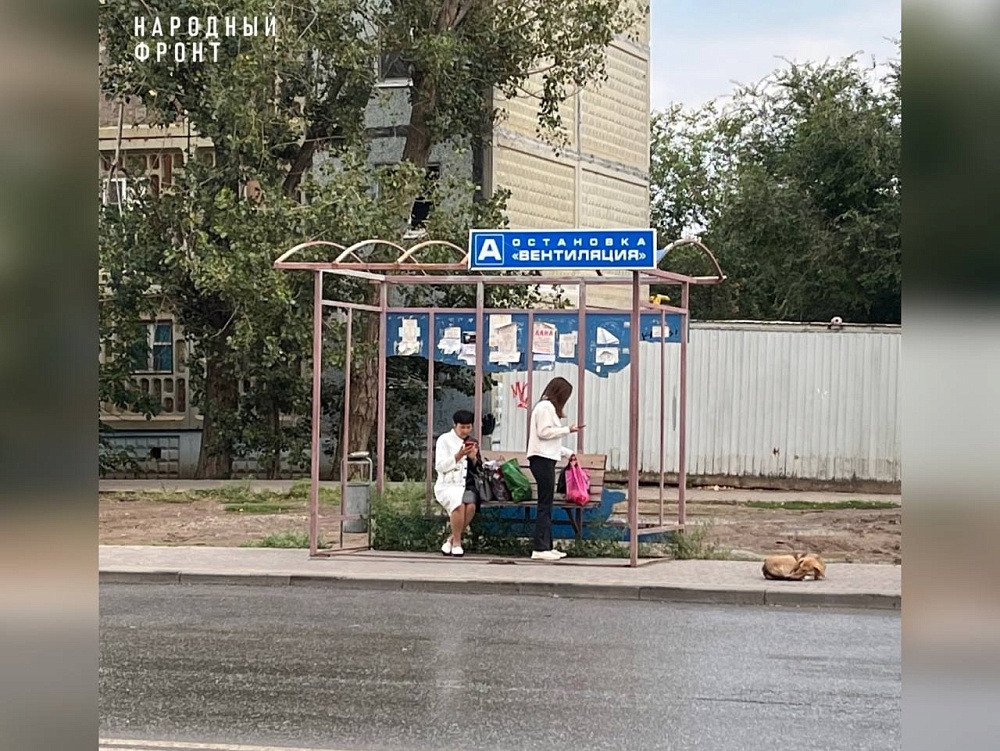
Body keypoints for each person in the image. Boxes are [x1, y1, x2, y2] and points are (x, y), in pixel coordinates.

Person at [527, 377, 584, 561]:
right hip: (542, 460)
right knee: (544, 504)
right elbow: (544, 433)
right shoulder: (545, 407)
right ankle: (540, 548)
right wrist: (568, 430)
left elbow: (550, 441)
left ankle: (547, 545)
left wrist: (568, 453)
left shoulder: (546, 407)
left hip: (545, 458)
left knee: (547, 503)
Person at [434, 409, 485, 557]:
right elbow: (440, 467)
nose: (465, 430)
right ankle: (457, 542)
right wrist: (459, 455)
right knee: (458, 504)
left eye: (468, 427)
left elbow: (478, 469)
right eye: (462, 427)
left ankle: (451, 539)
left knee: (471, 506)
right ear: (454, 425)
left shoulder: (472, 442)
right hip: (448, 483)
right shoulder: (444, 440)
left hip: (467, 483)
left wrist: (474, 458)